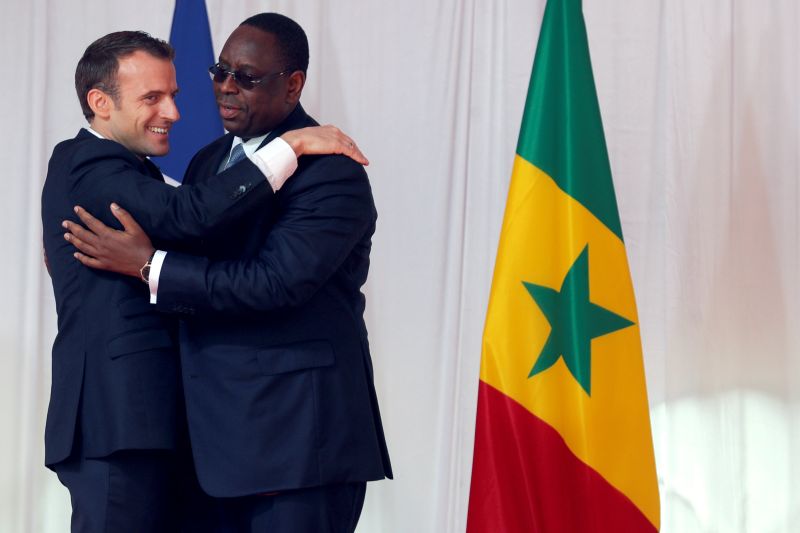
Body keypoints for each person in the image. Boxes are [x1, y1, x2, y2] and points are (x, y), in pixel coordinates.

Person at [64, 13, 392, 533]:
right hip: (209, 451)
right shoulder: (206, 163)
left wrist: (149, 265)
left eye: (246, 76)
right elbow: (185, 225)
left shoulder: (332, 170)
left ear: (294, 84)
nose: (226, 88)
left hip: (297, 448)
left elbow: (275, 284)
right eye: (219, 72)